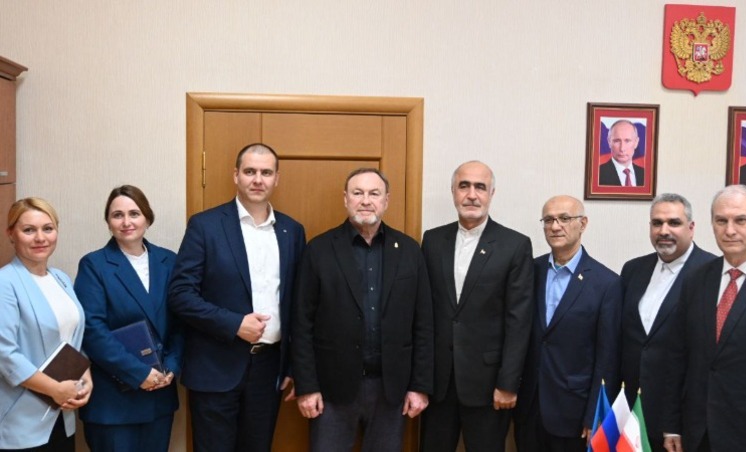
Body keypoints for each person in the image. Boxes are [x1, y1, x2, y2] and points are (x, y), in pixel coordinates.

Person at [168, 143, 306, 452]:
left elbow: (298, 303)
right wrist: (234, 324)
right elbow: (180, 294)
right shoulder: (205, 225)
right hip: (215, 367)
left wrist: (294, 366)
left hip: (269, 369)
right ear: (236, 175)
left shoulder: (292, 231)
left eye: (266, 173)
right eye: (250, 171)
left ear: (276, 179)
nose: (257, 179)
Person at [292, 168, 433, 452]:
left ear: (386, 200)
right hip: (331, 390)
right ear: (346, 199)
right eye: (358, 193)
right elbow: (301, 323)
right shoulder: (319, 249)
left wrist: (420, 386)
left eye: (374, 193)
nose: (366, 200)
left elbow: (424, 324)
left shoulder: (409, 251)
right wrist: (307, 387)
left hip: (390, 389)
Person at [662, 185, 746, 451]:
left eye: (740, 220)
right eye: (721, 221)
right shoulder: (696, 280)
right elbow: (677, 357)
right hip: (696, 433)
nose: (730, 230)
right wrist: (672, 424)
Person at [420, 161, 534, 452]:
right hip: (438, 384)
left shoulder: (514, 245)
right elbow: (424, 313)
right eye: (464, 186)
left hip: (489, 384)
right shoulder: (432, 240)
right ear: (453, 192)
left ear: (491, 193)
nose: (472, 195)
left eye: (480, 187)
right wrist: (419, 380)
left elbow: (519, 321)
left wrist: (508, 383)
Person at [74, 185, 182, 452]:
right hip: (113, 402)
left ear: (147, 218)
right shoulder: (94, 264)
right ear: (108, 222)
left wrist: (172, 366)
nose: (126, 222)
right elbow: (93, 331)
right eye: (117, 215)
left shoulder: (169, 261)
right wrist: (139, 373)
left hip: (159, 394)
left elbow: (181, 321)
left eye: (134, 213)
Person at [514, 195, 621, 452]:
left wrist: (595, 414)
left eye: (564, 218)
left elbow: (607, 357)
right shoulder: (529, 270)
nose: (555, 226)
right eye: (548, 220)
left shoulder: (606, 283)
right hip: (528, 407)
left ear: (583, 224)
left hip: (574, 411)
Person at [619, 193, 714, 452]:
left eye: (674, 223)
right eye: (657, 223)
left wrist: (676, 424)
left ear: (691, 228)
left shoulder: (711, 272)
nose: (664, 231)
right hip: (632, 411)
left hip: (680, 419)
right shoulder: (633, 270)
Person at [0, 197, 93, 451]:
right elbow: (5, 354)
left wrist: (85, 377)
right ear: (11, 234)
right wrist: (54, 389)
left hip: (62, 412)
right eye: (29, 230)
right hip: (22, 417)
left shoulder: (61, 279)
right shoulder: (5, 283)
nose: (40, 238)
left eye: (48, 228)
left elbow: (72, 338)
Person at [598, 119, 646, 186]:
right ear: (609, 142)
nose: (622, 148)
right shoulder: (598, 174)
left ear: (636, 142)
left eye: (627, 141)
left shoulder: (645, 174)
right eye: (617, 141)